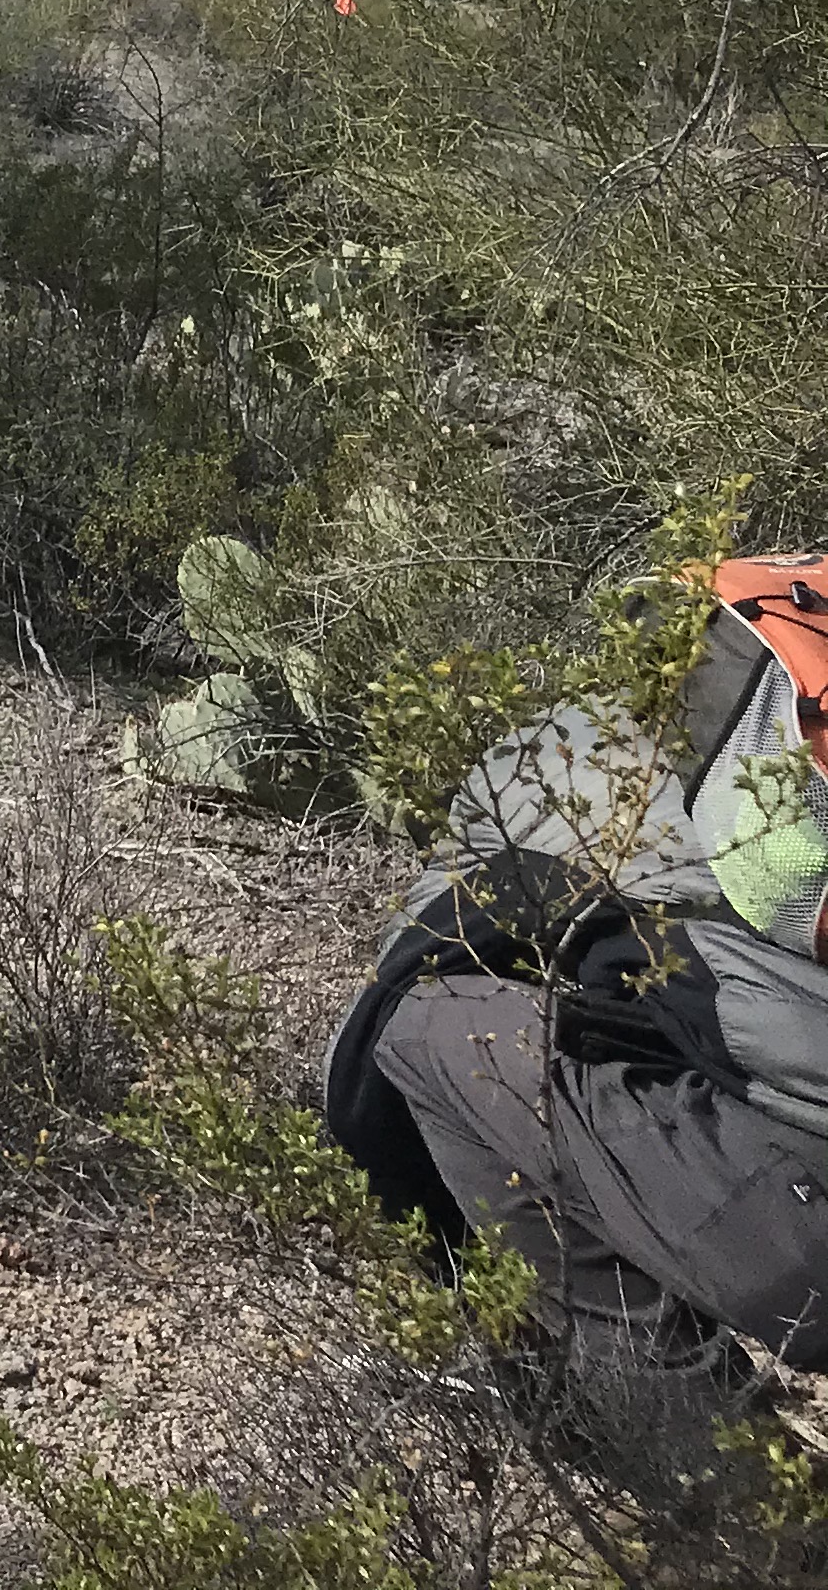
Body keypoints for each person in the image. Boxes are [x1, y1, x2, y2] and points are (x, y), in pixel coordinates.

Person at [326, 556, 828, 1471]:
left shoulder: (579, 771)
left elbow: (402, 986)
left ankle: (738, 1510)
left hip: (804, 1242)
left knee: (437, 1030)